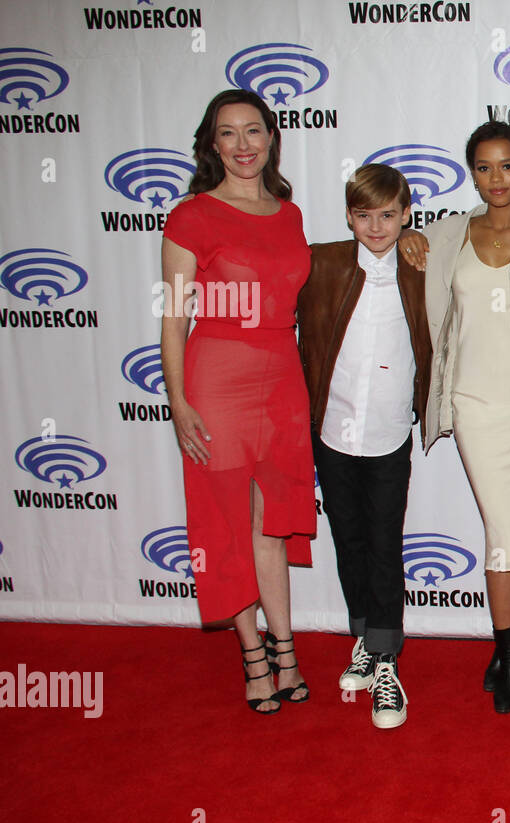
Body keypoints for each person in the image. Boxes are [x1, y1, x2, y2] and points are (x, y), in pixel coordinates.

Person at [401, 121, 510, 715]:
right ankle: (507, 657)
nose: (496, 178)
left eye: (507, 166)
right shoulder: (443, 237)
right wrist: (405, 241)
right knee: (505, 531)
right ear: (470, 173)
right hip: (476, 406)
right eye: (483, 167)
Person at [160, 89, 315, 714]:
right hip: (216, 377)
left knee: (270, 522)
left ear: (272, 137)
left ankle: (286, 647)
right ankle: (253, 654)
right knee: (226, 521)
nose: (244, 145)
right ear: (213, 143)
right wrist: (177, 401)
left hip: (282, 378)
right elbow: (174, 318)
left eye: (255, 131)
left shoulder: (291, 213)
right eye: (230, 134)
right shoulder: (191, 215)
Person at [297, 163, 430, 729]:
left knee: (383, 543)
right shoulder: (320, 261)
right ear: (347, 216)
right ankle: (366, 640)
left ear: (406, 215)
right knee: (348, 540)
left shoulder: (422, 263)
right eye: (363, 215)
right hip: (332, 428)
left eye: (387, 215)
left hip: (388, 432)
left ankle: (386, 663)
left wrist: (419, 241)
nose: (375, 227)